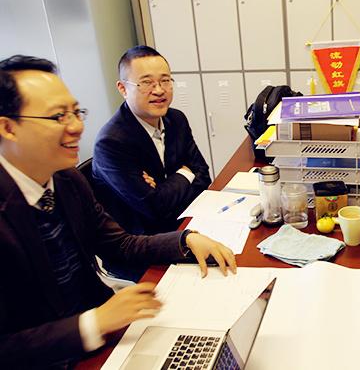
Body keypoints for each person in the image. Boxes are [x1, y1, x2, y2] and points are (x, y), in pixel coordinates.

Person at [0, 55, 237, 368]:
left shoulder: (66, 180)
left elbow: (119, 243)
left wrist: (184, 240)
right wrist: (93, 323)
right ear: (8, 127)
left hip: (106, 337)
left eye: (76, 112)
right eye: (58, 116)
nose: (77, 127)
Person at [92, 45, 211, 237]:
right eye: (146, 82)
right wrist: (185, 173)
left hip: (185, 223)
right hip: (142, 242)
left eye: (165, 80)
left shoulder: (176, 119)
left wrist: (163, 189)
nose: (159, 90)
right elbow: (154, 208)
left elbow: (203, 175)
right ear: (123, 88)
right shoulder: (111, 143)